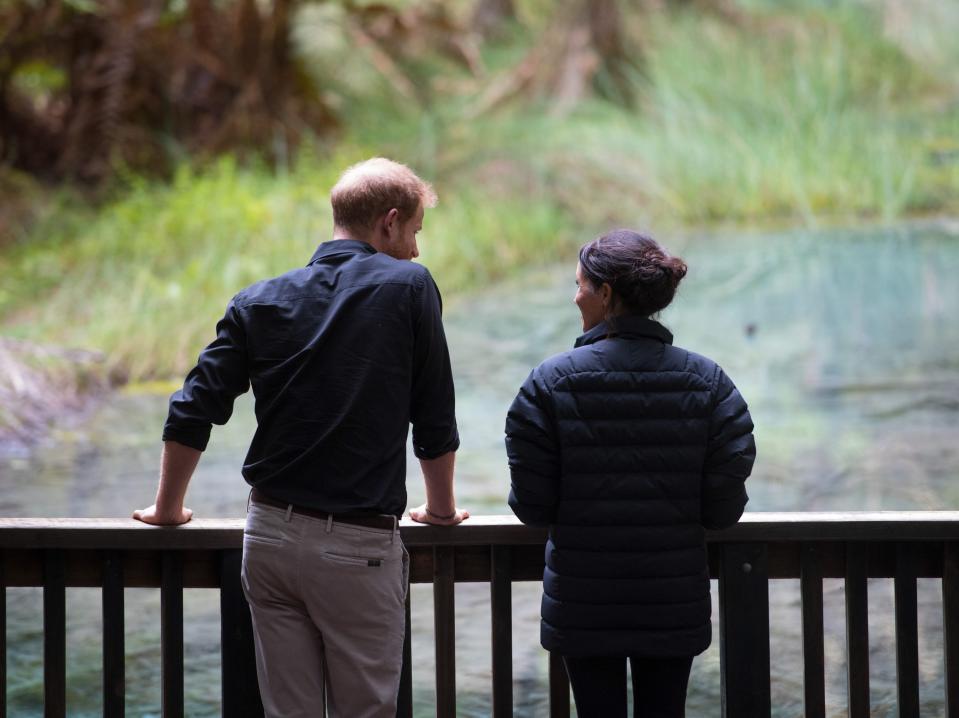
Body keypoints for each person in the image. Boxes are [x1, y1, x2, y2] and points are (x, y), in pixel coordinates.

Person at [133, 157, 469, 718]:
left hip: (268, 537)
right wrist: (440, 510)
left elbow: (194, 407)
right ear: (388, 222)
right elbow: (433, 414)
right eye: (413, 232)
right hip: (358, 546)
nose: (415, 249)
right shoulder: (410, 286)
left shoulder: (259, 300)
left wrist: (168, 510)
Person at [505, 229, 755, 718]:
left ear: (606, 294)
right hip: (673, 597)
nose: (574, 294)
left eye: (579, 284)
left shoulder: (550, 382)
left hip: (582, 600)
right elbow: (723, 507)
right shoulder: (709, 382)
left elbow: (533, 507)